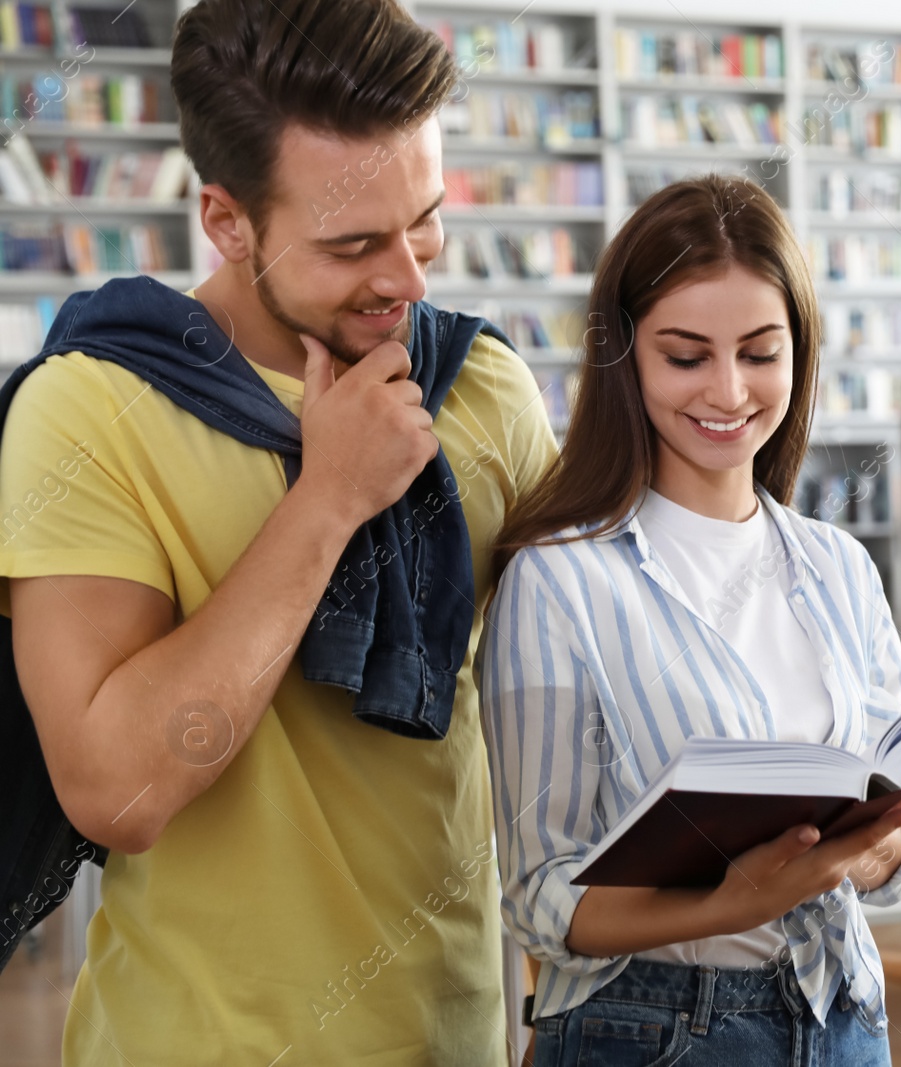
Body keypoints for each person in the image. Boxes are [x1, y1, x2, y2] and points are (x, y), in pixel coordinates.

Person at [0, 0, 557, 1061]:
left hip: (460, 1037)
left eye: (425, 220)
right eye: (352, 243)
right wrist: (329, 495)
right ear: (226, 220)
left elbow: (580, 697)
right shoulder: (87, 410)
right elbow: (117, 785)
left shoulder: (485, 387)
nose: (408, 277)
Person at [481, 174, 901, 1066]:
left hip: (843, 1015)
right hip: (650, 1030)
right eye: (687, 356)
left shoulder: (840, 567)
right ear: (626, 357)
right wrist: (737, 898)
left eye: (760, 352)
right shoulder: (559, 580)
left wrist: (865, 849)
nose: (728, 391)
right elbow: (540, 896)